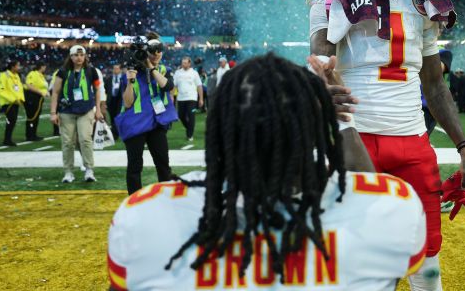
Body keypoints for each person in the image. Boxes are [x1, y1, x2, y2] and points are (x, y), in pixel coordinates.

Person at [107, 53, 427, 290]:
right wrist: (343, 121)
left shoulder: (145, 215)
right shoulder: (393, 209)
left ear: (219, 131)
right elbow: (367, 200)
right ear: (313, 131)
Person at [308, 0, 465, 291]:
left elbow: (435, 85)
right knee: (360, 252)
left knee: (426, 253)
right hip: (356, 139)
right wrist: (322, 69)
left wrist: (464, 147)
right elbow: (320, 55)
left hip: (412, 141)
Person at [115, 33, 177, 194]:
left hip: (156, 123)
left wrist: (151, 67)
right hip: (135, 124)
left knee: (163, 163)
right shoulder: (131, 73)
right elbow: (128, 103)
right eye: (152, 51)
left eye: (159, 51)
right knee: (135, 166)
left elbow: (167, 86)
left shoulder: (164, 69)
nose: (156, 54)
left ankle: (167, 198)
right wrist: (130, 81)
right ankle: (134, 201)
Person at [50, 46, 103, 183]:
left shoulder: (92, 71)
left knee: (85, 140)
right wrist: (53, 112)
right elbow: (55, 92)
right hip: (66, 111)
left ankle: (89, 169)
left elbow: (97, 90)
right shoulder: (62, 72)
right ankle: (68, 172)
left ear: (85, 56)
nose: (79, 58)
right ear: (71, 57)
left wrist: (98, 109)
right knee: (67, 143)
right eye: (76, 55)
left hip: (85, 110)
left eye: (81, 55)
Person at [173, 56, 203, 143]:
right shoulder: (178, 73)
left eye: (185, 63)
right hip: (181, 98)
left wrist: (201, 99)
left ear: (189, 63)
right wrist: (171, 96)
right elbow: (174, 85)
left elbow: (199, 86)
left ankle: (190, 135)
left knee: (191, 115)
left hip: (191, 98)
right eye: (182, 63)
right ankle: (189, 128)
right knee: (181, 116)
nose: (183, 64)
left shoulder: (194, 73)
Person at [0, 60, 24, 146]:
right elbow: (1, 90)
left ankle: (8, 139)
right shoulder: (4, 75)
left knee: (12, 121)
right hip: (8, 102)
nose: (19, 67)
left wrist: (21, 99)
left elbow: (19, 88)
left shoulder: (16, 76)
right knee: (10, 121)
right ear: (12, 67)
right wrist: (13, 100)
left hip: (15, 102)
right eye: (18, 66)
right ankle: (7, 140)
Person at [23, 62, 49, 142]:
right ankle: (30, 135)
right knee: (32, 117)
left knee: (35, 117)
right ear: (41, 66)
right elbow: (29, 85)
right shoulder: (33, 74)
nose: (45, 68)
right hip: (32, 97)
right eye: (44, 66)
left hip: (38, 98)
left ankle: (33, 134)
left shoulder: (41, 75)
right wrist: (41, 92)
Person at [105, 64, 124, 138]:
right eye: (114, 68)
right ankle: (114, 134)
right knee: (112, 117)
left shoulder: (123, 78)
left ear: (120, 70)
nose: (115, 70)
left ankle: (117, 133)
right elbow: (105, 90)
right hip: (111, 100)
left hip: (120, 100)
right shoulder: (109, 79)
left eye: (117, 68)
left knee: (118, 116)